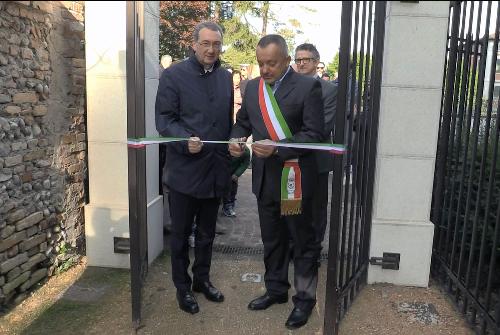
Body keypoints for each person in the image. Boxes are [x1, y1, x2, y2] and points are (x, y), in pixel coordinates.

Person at [229, 34, 324, 330]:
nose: (265, 69)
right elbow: (244, 120)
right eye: (260, 63)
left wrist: (279, 148)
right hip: (264, 178)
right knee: (272, 240)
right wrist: (236, 137)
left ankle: (304, 301)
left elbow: (314, 134)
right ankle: (276, 290)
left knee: (302, 242)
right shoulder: (254, 87)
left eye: (271, 63)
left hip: (295, 177)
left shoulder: (309, 86)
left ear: (286, 61)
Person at [155, 21, 232, 315]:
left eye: (216, 44)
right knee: (181, 235)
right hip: (185, 171)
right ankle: (182, 288)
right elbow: (164, 121)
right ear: (194, 44)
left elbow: (225, 122)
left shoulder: (225, 77)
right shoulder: (174, 75)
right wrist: (184, 141)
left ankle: (202, 280)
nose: (211, 49)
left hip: (215, 171)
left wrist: (233, 144)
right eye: (206, 44)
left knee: (207, 234)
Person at [294, 43, 337, 246]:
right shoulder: (288, 86)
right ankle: (293, 245)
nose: (301, 63)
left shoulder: (328, 90)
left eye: (306, 59)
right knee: (292, 205)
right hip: (290, 159)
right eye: (298, 59)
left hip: (316, 159)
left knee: (316, 208)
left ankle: (314, 248)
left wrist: (291, 140)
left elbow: (323, 126)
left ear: (316, 62)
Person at [222, 145, 250, 217]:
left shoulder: (246, 151)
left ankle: (228, 205)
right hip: (221, 170)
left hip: (233, 173)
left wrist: (237, 174)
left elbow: (245, 163)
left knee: (232, 188)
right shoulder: (224, 146)